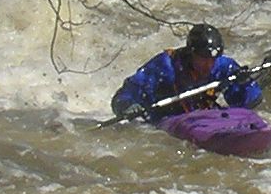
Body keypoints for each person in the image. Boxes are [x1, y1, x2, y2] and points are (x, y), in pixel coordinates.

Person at [111, 23, 262, 121]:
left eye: (212, 59)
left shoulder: (223, 65)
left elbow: (249, 101)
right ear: (191, 53)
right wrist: (128, 105)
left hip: (205, 120)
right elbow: (127, 92)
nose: (209, 64)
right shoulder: (165, 65)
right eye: (203, 58)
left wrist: (245, 84)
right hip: (168, 120)